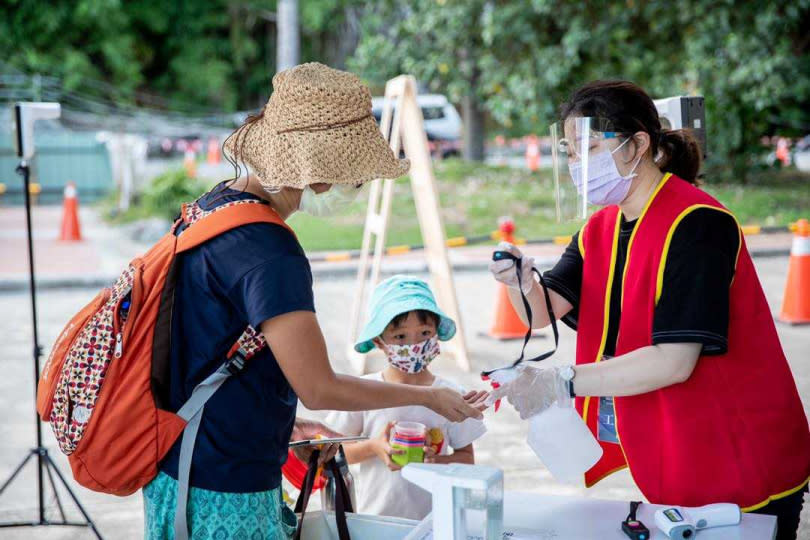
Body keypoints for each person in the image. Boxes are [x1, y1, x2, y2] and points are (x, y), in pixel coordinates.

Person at [143, 63, 484, 540]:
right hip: (224, 485)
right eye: (351, 176)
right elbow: (320, 387)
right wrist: (427, 396)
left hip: (179, 467)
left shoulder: (214, 208)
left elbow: (214, 348)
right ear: (319, 172)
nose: (347, 189)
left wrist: (281, 418)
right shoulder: (271, 252)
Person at [489, 80, 810, 540]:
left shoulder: (698, 224)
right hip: (677, 450)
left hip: (739, 448)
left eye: (590, 147)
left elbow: (674, 361)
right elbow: (543, 312)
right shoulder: (601, 227)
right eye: (571, 151)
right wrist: (518, 283)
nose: (578, 164)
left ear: (638, 143)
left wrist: (560, 381)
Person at [327, 275, 488, 520]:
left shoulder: (451, 395)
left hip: (437, 523)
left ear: (436, 335)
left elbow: (467, 459)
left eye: (424, 332)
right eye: (400, 337)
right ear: (379, 341)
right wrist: (373, 447)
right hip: (378, 522)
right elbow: (331, 453)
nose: (414, 345)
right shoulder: (364, 392)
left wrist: (435, 461)